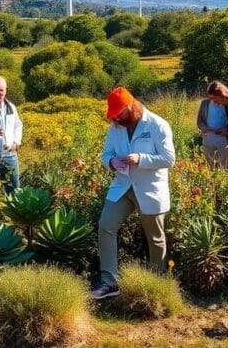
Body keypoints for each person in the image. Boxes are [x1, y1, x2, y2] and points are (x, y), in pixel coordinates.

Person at [90, 87, 175, 300]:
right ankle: (109, 282)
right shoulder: (116, 127)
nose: (116, 117)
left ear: (130, 107)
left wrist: (141, 158)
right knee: (106, 227)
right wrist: (111, 162)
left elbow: (168, 159)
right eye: (113, 114)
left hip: (149, 189)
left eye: (119, 112)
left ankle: (158, 283)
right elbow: (106, 154)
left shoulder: (157, 125)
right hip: (123, 187)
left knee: (155, 238)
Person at [196, 95, 228, 170]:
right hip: (208, 139)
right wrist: (203, 127)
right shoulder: (205, 103)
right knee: (208, 167)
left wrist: (227, 129)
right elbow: (199, 121)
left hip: (224, 140)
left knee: (224, 167)